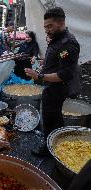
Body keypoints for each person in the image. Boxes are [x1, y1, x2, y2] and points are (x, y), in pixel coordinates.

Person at [25, 7, 80, 156]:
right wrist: (44, 63)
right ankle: (57, 144)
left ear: (61, 23)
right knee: (54, 119)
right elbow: (56, 61)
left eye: (50, 26)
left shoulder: (68, 44)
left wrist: (40, 76)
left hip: (58, 89)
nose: (47, 30)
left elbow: (64, 74)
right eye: (45, 27)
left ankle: (49, 150)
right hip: (51, 86)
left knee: (50, 119)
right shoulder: (57, 40)